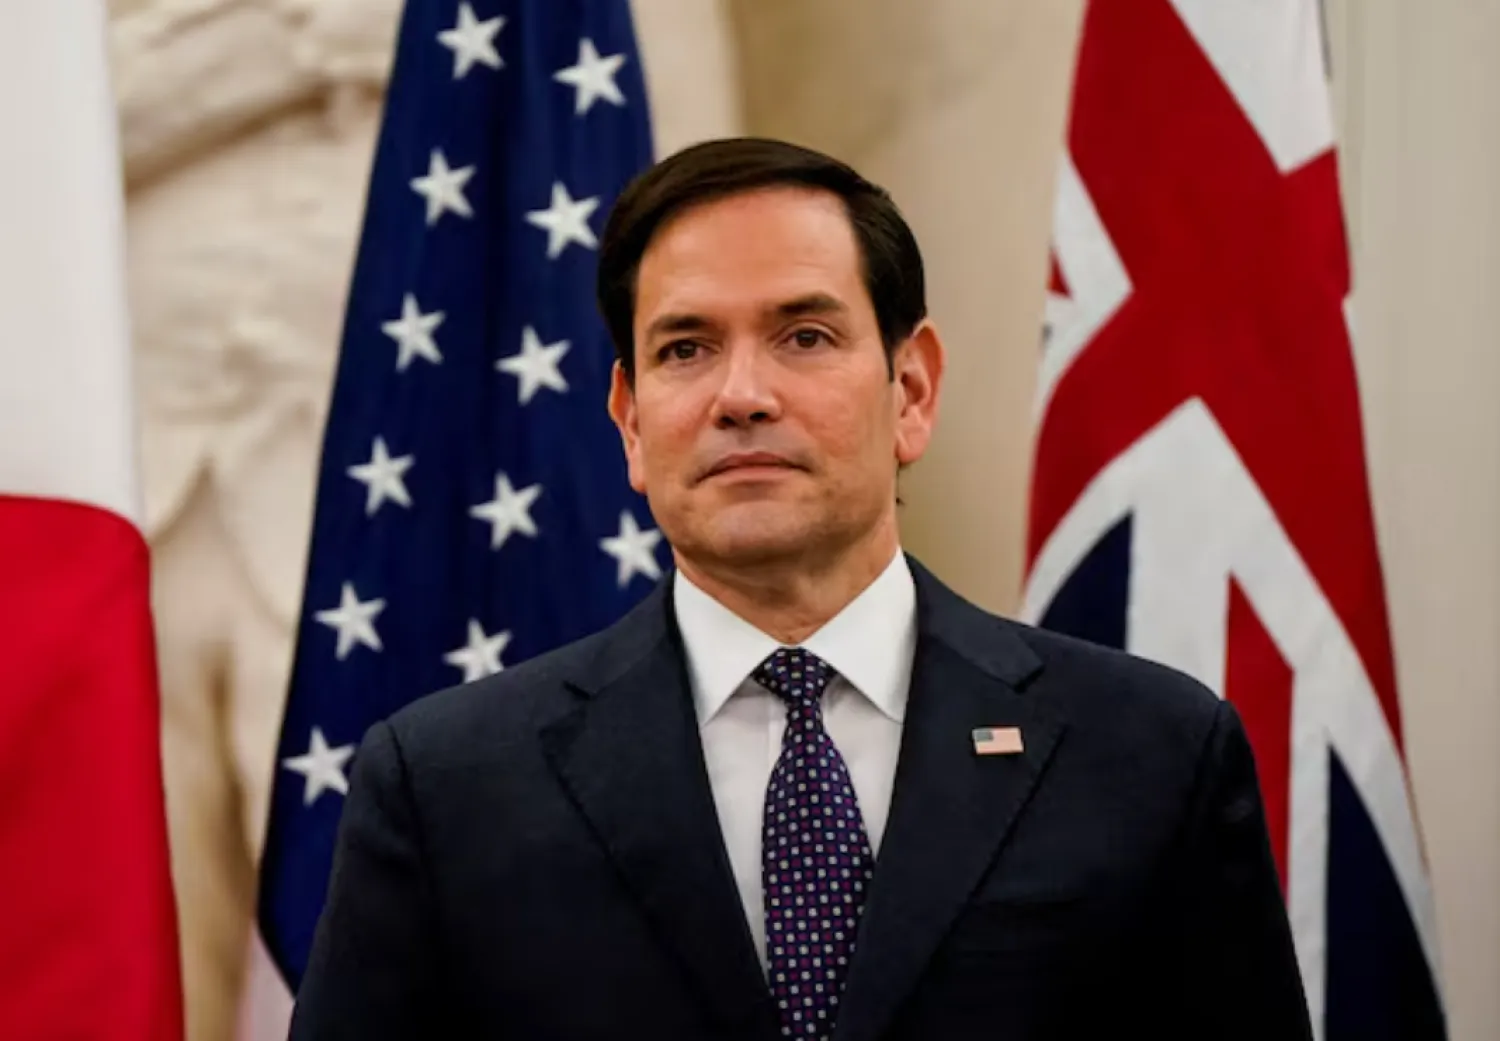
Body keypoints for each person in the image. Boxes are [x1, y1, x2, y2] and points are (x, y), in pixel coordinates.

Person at [290, 137, 1312, 1041]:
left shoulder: (1151, 755)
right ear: (632, 422)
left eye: (805, 336)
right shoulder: (446, 786)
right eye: (686, 349)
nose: (742, 396)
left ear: (910, 392)